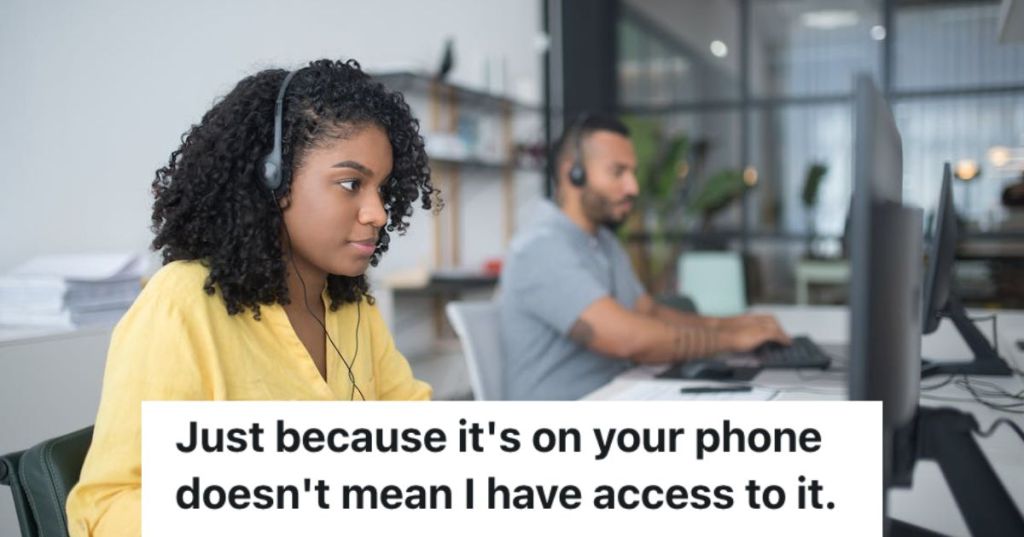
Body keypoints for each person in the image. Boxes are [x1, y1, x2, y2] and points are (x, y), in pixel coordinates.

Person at [65, 59, 438, 536]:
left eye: (382, 189)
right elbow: (108, 508)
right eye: (351, 184)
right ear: (272, 178)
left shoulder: (352, 307)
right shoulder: (183, 304)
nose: (378, 212)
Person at [499, 114, 790, 400]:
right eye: (618, 172)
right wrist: (730, 341)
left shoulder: (602, 242)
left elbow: (648, 312)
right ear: (572, 172)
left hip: (619, 395)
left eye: (632, 173)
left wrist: (730, 324)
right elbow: (628, 340)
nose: (633, 187)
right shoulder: (540, 248)